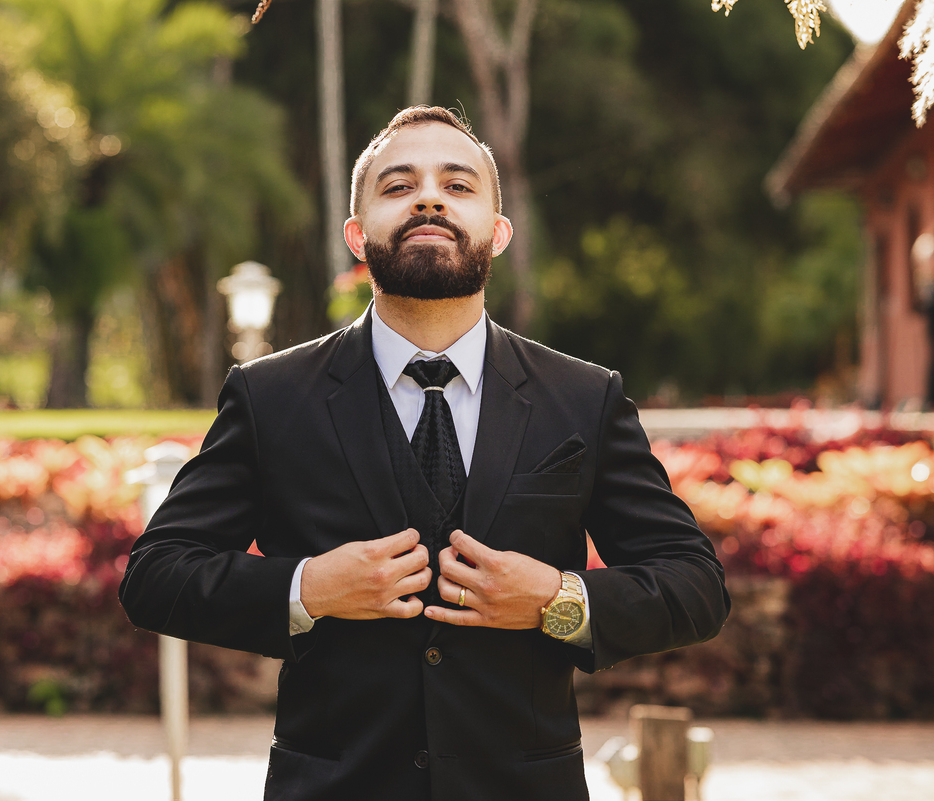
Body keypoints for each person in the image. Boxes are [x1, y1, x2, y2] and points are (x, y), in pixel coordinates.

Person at [119, 106, 730, 801]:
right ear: (358, 234)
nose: (430, 199)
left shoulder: (584, 398)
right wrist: (309, 587)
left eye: (458, 185)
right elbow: (156, 576)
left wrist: (556, 599)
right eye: (399, 185)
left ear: (498, 233)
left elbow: (695, 585)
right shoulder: (270, 396)